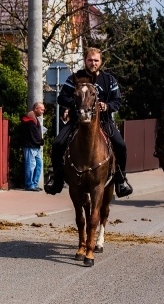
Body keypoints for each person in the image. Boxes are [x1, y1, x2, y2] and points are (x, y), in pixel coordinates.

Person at [45, 47, 133, 198]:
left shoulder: (109, 79)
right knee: (58, 143)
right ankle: (57, 177)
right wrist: (77, 103)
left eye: (96, 60)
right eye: (90, 60)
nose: (93, 63)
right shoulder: (75, 78)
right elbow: (62, 98)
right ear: (85, 60)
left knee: (121, 145)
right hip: (76, 121)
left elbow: (117, 100)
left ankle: (120, 179)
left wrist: (107, 106)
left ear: (101, 62)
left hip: (103, 121)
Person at [21, 102, 45, 191]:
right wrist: (41, 141)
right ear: (36, 109)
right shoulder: (30, 120)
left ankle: (34, 184)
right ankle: (29, 184)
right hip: (30, 146)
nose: (43, 111)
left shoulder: (34, 119)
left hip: (35, 146)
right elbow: (33, 135)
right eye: (41, 109)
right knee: (31, 165)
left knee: (38, 164)